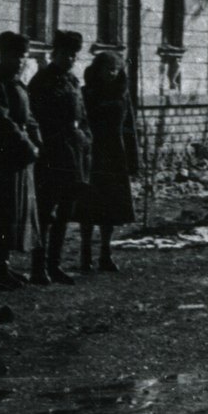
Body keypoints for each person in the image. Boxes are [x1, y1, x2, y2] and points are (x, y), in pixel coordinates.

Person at [0, 32, 41, 289]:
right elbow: (3, 122)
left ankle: (4, 265)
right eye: (15, 57)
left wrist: (37, 139)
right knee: (1, 214)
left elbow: (29, 116)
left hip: (19, 160)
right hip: (3, 160)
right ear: (2, 56)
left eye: (23, 58)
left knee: (15, 214)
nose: (19, 62)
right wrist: (28, 145)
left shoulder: (16, 84)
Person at [30, 31, 90, 284]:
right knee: (46, 212)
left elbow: (82, 114)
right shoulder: (42, 80)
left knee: (65, 211)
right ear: (55, 54)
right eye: (65, 54)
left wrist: (86, 138)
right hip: (51, 153)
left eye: (74, 55)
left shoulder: (73, 81)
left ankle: (54, 264)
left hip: (73, 154)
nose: (70, 59)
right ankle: (38, 267)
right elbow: (35, 118)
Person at [78, 47, 138, 273]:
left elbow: (129, 128)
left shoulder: (122, 95)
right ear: (98, 70)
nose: (112, 73)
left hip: (115, 156)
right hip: (93, 155)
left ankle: (105, 253)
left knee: (110, 208)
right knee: (88, 206)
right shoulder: (87, 93)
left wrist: (133, 160)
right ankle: (85, 254)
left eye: (115, 69)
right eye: (107, 69)